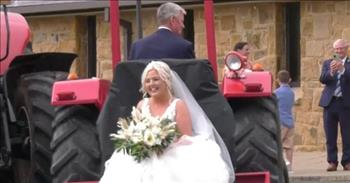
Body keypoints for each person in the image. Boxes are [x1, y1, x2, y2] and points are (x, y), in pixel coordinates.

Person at [100, 61, 234, 183]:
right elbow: (136, 130)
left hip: (172, 152)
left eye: (156, 79)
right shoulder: (142, 105)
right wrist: (141, 143)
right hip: (145, 153)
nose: (151, 84)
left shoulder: (177, 105)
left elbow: (185, 137)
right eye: (147, 81)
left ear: (166, 81)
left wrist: (162, 143)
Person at [319, 39, 350, 171]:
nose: (338, 51)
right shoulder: (328, 63)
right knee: (330, 135)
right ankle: (332, 162)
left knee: (347, 134)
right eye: (336, 49)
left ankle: (347, 161)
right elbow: (323, 79)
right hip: (330, 103)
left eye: (341, 48)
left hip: (345, 104)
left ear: (346, 48)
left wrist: (343, 70)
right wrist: (331, 72)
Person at [128, 2, 195, 60]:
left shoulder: (137, 47)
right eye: (181, 21)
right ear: (172, 20)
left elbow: (131, 74)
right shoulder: (184, 46)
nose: (183, 26)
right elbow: (192, 73)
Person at [274, 70, 295, 172]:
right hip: (290, 122)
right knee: (289, 145)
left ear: (277, 80)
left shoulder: (276, 93)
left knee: (278, 144)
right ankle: (289, 166)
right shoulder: (291, 93)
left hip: (280, 121)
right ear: (290, 80)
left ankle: (280, 165)